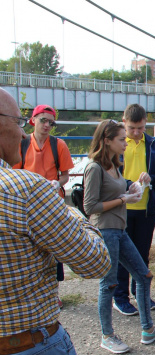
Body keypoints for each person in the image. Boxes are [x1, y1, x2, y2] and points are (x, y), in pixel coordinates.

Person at [0, 88, 110, 355]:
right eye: (18, 122)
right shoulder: (24, 190)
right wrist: (76, 218)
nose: (22, 131)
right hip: (30, 353)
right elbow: (95, 263)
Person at [83, 120, 155, 354]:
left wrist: (129, 189)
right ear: (106, 141)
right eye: (121, 139)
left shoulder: (114, 164)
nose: (126, 143)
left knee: (143, 275)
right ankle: (107, 336)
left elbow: (113, 192)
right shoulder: (94, 168)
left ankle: (148, 329)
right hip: (106, 231)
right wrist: (124, 199)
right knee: (109, 284)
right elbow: (90, 206)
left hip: (119, 230)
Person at [14, 104, 75, 309]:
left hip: (51, 205)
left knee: (54, 250)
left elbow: (65, 175)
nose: (47, 125)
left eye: (51, 122)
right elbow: (16, 174)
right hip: (28, 206)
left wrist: (57, 183)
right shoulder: (22, 144)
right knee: (29, 250)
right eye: (43, 120)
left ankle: (53, 294)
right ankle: (31, 293)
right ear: (33, 120)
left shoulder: (58, 145)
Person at [113, 104, 155, 316]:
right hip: (122, 208)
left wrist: (151, 178)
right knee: (121, 256)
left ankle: (140, 293)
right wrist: (127, 184)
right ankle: (120, 297)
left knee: (142, 254)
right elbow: (109, 174)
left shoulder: (153, 144)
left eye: (140, 128)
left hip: (146, 208)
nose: (136, 133)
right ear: (124, 123)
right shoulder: (117, 143)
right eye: (132, 128)